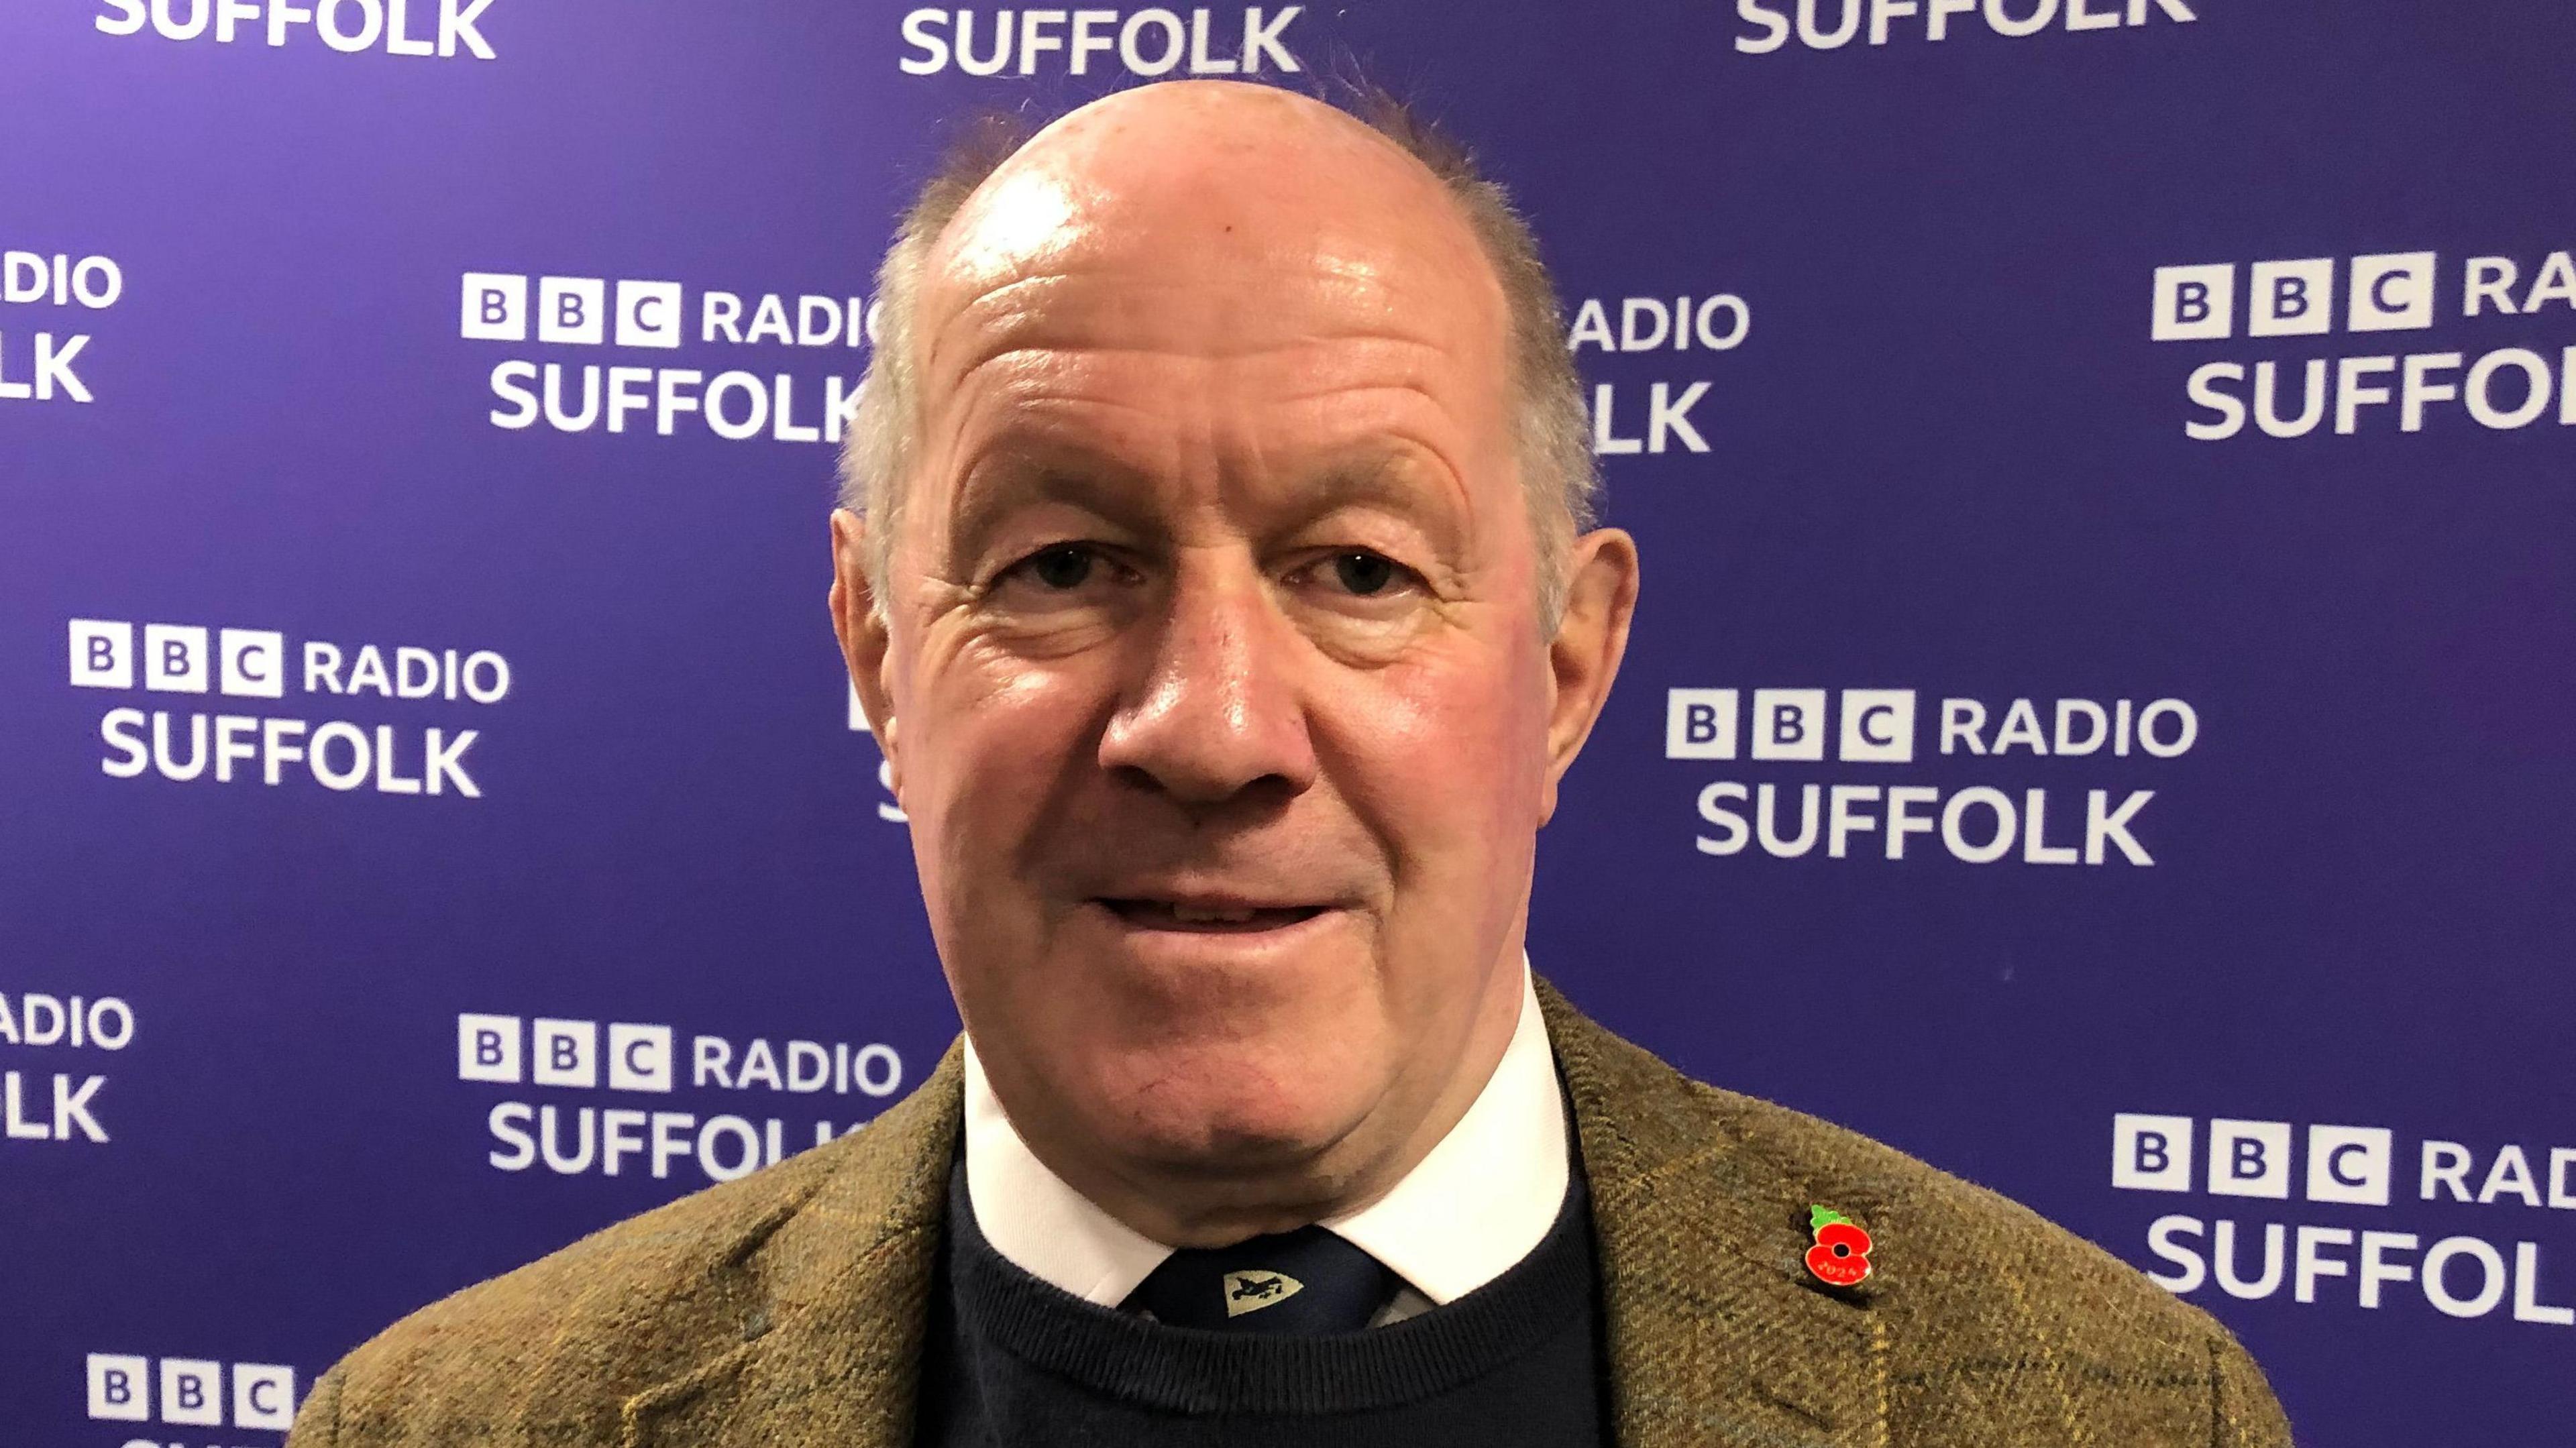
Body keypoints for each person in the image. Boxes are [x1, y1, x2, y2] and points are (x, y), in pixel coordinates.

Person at [286, 80, 2291, 1447]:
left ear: (1569, 666)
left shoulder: (2100, 1409)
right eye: (1062, 563)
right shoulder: (451, 1422)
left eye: (1358, 568)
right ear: (881, 657)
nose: (1217, 729)